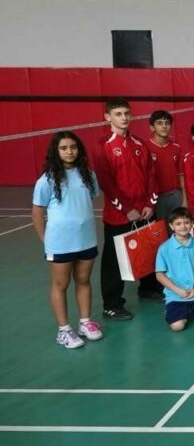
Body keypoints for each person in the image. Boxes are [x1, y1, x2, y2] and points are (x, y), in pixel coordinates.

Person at [31, 131, 104, 349]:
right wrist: (46, 240)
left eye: (73, 147)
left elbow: (88, 199)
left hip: (86, 239)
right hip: (60, 243)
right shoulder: (46, 180)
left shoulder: (88, 175)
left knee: (83, 280)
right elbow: (37, 214)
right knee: (60, 284)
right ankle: (63, 330)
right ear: (56, 151)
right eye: (63, 148)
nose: (69, 151)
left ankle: (85, 323)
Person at [93, 97, 157, 321]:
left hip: (144, 212)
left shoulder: (140, 143)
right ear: (107, 117)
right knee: (114, 260)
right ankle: (112, 305)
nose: (124, 118)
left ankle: (148, 289)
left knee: (147, 251)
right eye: (118, 114)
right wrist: (127, 208)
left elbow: (151, 175)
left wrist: (150, 204)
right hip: (119, 215)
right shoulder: (103, 145)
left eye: (127, 113)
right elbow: (106, 182)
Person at [142, 109, 185, 300]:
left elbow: (181, 175)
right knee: (157, 241)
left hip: (174, 196)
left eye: (167, 123)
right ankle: (153, 283)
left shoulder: (176, 147)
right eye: (160, 123)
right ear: (152, 127)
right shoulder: (145, 148)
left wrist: (184, 198)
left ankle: (176, 277)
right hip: (155, 200)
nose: (164, 126)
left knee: (177, 237)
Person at [155, 208, 194, 331]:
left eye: (186, 222)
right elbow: (159, 275)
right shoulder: (164, 248)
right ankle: (177, 310)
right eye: (178, 224)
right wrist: (178, 290)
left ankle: (191, 308)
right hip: (175, 294)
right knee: (177, 327)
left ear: (192, 223)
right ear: (171, 226)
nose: (183, 226)